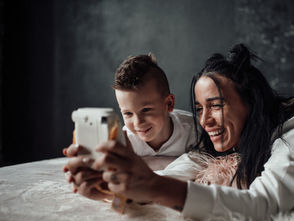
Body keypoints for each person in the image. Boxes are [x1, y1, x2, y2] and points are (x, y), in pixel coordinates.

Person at [64, 44, 294, 221]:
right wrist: (112, 189)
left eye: (216, 105)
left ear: (250, 102)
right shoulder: (220, 139)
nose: (205, 120)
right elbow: (179, 171)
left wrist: (154, 185)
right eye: (199, 109)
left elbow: (262, 204)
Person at [64, 54, 197, 171]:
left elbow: (204, 164)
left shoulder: (193, 130)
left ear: (169, 104)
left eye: (146, 110)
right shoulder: (124, 141)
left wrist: (139, 163)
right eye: (128, 113)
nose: (138, 122)